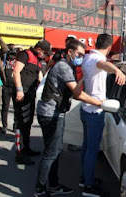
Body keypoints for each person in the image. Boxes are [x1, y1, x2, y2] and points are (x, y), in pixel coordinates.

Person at [34, 39, 102, 197]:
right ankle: (40, 189)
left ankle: (54, 185)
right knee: (52, 152)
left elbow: (73, 92)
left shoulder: (67, 66)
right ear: (70, 52)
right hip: (52, 113)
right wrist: (98, 102)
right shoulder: (64, 66)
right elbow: (77, 92)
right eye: (78, 54)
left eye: (83, 55)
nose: (80, 57)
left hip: (52, 111)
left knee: (54, 151)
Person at [80, 33, 126, 196]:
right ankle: (88, 187)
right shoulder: (96, 59)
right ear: (108, 47)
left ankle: (85, 178)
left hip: (85, 108)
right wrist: (116, 70)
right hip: (95, 110)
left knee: (86, 148)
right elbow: (102, 64)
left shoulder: (87, 57)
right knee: (92, 149)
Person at [13, 40, 52, 165]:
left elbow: (40, 76)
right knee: (21, 122)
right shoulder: (25, 55)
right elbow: (16, 72)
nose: (45, 56)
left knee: (28, 122)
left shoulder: (37, 59)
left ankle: (27, 148)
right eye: (45, 53)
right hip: (22, 94)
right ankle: (19, 154)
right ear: (39, 49)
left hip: (30, 94)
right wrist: (19, 90)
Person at [1, 44, 17, 134]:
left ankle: (15, 126)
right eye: (10, 55)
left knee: (16, 108)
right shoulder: (4, 61)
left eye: (13, 55)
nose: (11, 57)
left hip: (14, 87)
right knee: (5, 107)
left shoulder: (17, 62)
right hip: (6, 87)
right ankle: (4, 126)